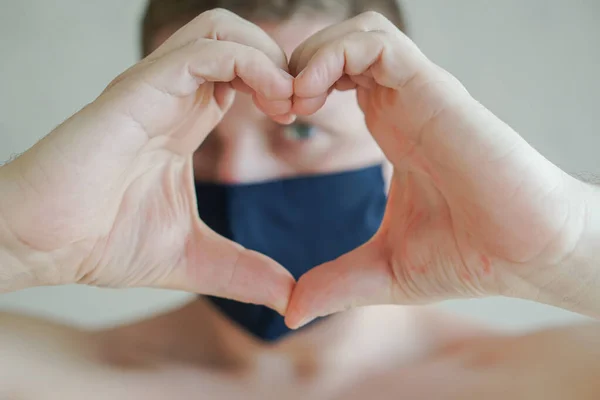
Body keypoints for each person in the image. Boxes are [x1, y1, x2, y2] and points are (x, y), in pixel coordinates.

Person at [0, 0, 599, 398]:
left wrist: (567, 248)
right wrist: (15, 244)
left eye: (301, 130)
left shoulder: (558, 378)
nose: (237, 176)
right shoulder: (50, 379)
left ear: (398, 145)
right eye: (203, 137)